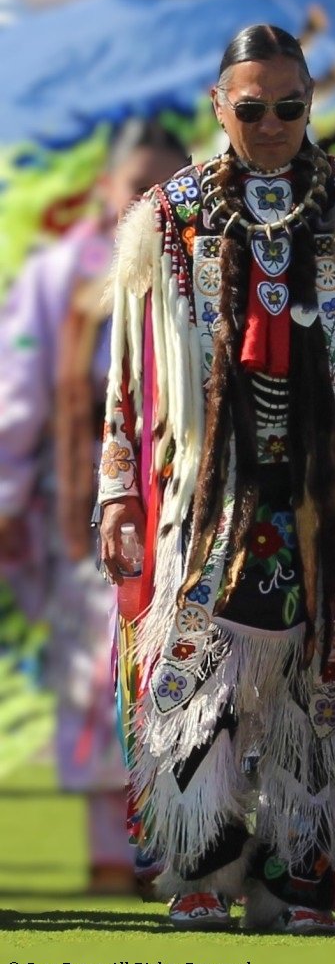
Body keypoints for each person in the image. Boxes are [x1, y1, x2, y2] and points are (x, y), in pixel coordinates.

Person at [98, 24, 335, 934]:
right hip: (208, 496)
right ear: (220, 108)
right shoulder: (168, 213)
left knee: (320, 685)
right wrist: (118, 483)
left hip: (332, 496)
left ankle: (298, 879)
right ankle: (204, 870)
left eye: (291, 105)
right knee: (197, 679)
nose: (273, 123)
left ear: (309, 104)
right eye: (252, 109)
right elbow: (129, 370)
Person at [0, 119, 189, 894]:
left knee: (188, 673)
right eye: (135, 182)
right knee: (93, 679)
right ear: (106, 187)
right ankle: (114, 856)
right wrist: (8, 499)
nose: (147, 198)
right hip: (85, 513)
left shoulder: (203, 267)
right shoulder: (61, 276)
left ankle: (184, 847)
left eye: (164, 184)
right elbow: (18, 398)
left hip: (189, 504)